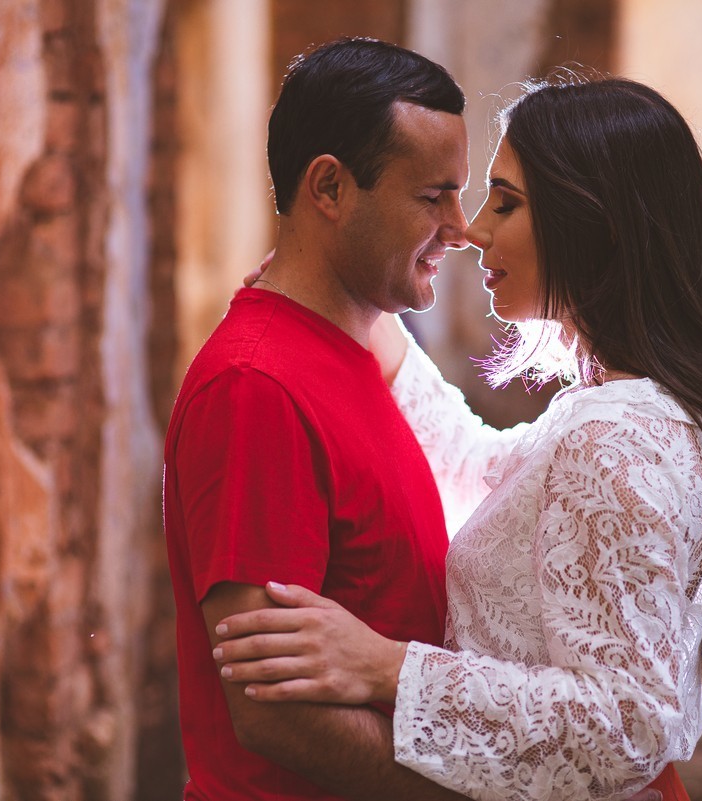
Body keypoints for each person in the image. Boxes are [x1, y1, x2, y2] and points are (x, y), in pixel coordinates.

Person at [214, 77, 702, 801]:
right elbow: (478, 469)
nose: (474, 230)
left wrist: (387, 666)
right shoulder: (625, 410)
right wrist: (360, 311)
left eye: (507, 203)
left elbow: (631, 722)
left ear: (594, 224)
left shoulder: (614, 439)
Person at [163, 37, 478, 801]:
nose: (460, 226)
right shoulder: (255, 388)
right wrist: (472, 791)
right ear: (330, 187)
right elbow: (273, 711)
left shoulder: (360, 347)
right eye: (432, 197)